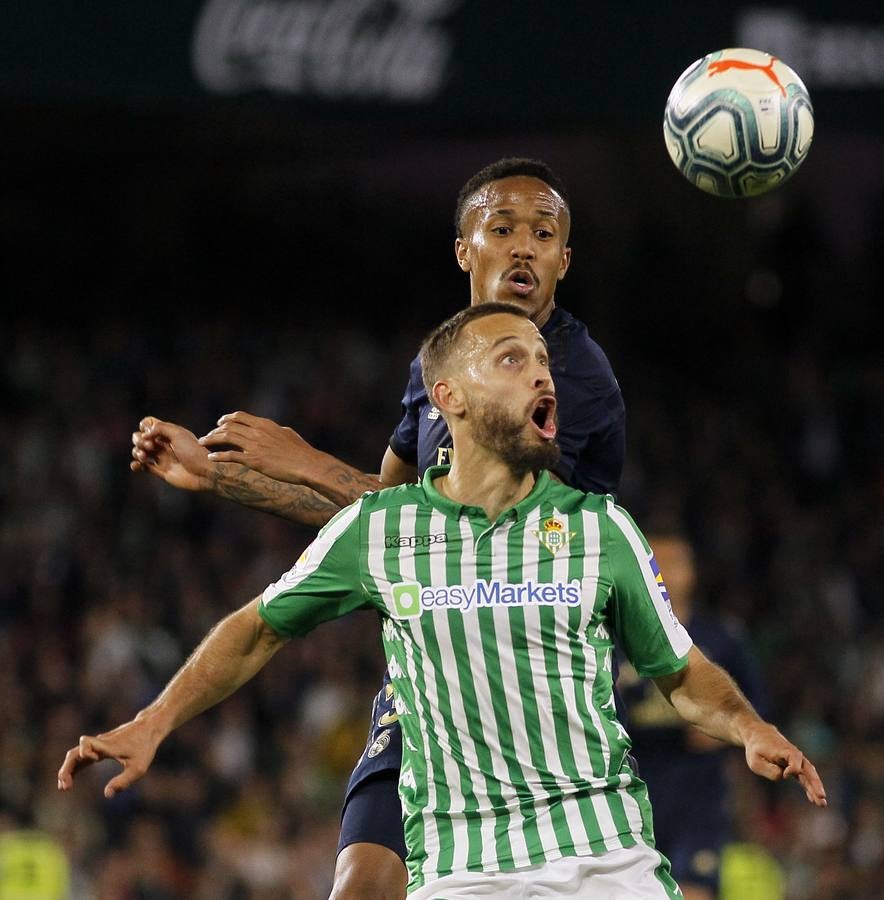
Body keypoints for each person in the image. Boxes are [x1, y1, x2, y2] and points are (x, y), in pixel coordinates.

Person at [61, 303, 827, 900]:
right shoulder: (380, 529)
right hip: (462, 869)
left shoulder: (601, 530)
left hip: (606, 861)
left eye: (541, 361)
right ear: (448, 397)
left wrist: (749, 726)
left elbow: (682, 673)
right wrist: (153, 720)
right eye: (512, 359)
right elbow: (258, 629)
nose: (541, 375)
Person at [130, 157, 626, 899]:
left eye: (543, 233)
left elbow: (485, 537)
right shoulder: (439, 368)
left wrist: (305, 460)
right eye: (502, 228)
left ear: (563, 259)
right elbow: (377, 526)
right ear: (466, 249)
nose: (523, 246)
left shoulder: (571, 382)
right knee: (359, 886)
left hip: (530, 707)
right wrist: (219, 475)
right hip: (428, 690)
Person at [616, 531, 768, 900]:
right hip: (632, 791)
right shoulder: (615, 636)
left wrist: (731, 730)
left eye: (676, 562)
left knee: (695, 890)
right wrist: (677, 734)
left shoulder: (721, 638)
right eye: (656, 563)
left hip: (698, 796)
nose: (666, 572)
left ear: (693, 572)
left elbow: (758, 708)